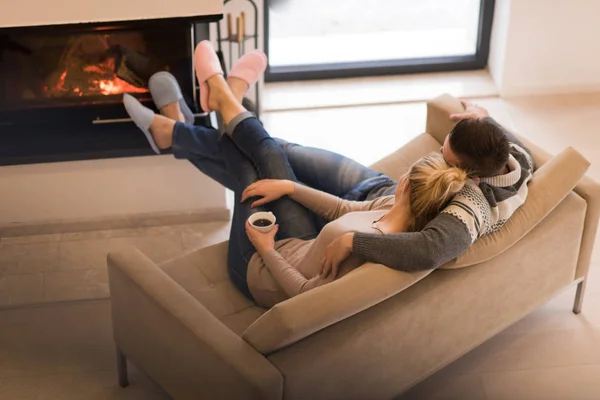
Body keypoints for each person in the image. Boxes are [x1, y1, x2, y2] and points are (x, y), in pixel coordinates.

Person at [130, 43, 534, 284]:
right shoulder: (512, 160)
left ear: (470, 174)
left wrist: (352, 241)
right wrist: (484, 119)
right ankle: (199, 115)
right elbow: (520, 155)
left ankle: (209, 106)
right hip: (381, 196)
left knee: (263, 156)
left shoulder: (468, 209)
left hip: (370, 221)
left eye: (446, 157)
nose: (437, 155)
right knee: (279, 150)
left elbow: (429, 250)